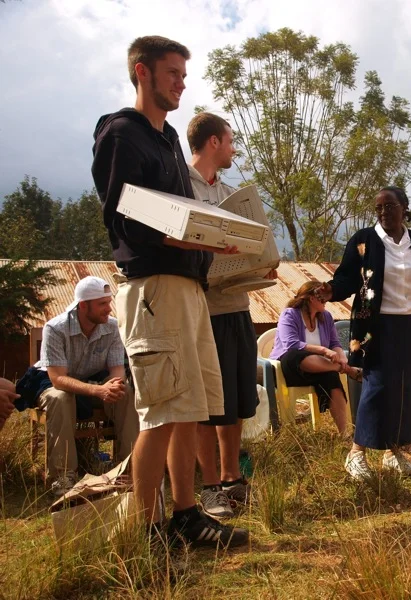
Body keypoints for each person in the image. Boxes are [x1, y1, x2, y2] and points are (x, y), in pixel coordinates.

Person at [91, 36, 247, 549]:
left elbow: (184, 216)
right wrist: (192, 236)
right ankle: (146, 533)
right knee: (159, 412)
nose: (183, 82)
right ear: (143, 72)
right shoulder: (121, 134)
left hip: (189, 289)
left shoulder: (169, 140)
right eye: (173, 73)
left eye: (184, 73)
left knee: (190, 409)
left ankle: (185, 515)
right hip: (152, 288)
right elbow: (124, 216)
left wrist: (216, 242)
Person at [318, 186, 411, 479]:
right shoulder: (364, 241)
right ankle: (356, 453)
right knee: (377, 386)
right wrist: (330, 290)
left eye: (389, 206)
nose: (384, 212)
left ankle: (393, 452)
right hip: (376, 327)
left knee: (405, 389)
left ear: (404, 207)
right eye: (379, 208)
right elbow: (347, 277)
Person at [186, 111, 265, 519]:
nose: (234, 148)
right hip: (200, 311)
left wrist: (261, 263)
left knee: (235, 401)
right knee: (206, 405)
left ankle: (233, 478)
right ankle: (210, 486)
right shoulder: (179, 185)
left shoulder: (234, 194)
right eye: (230, 140)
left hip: (238, 307)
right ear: (213, 141)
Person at [21, 277, 139, 496]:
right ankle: (63, 476)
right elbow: (58, 379)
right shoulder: (55, 328)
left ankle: (128, 467)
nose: (108, 309)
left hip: (94, 379)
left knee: (126, 392)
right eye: (102, 304)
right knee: (60, 398)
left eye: (109, 302)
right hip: (55, 379)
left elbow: (116, 370)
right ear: (84, 305)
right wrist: (98, 391)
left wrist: (114, 386)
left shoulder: (112, 327)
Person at [270, 281, 357, 434]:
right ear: (311, 298)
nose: (326, 301)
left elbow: (335, 343)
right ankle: (347, 370)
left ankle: (345, 434)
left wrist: (341, 357)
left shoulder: (326, 317)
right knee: (296, 354)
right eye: (322, 297)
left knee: (332, 377)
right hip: (291, 369)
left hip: (318, 367)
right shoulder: (290, 314)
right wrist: (323, 351)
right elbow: (291, 344)